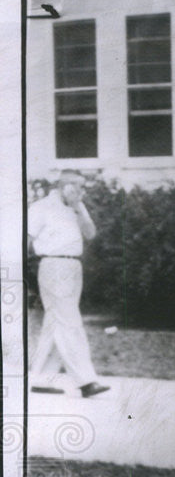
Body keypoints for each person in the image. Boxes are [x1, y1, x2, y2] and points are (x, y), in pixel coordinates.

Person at [27, 170, 109, 398]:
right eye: (78, 187)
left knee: (56, 322)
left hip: (73, 267)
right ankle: (86, 381)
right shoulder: (42, 207)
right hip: (53, 266)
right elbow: (26, 238)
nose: (82, 192)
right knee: (70, 321)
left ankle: (43, 379)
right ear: (65, 186)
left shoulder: (76, 207)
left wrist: (78, 207)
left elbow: (90, 233)